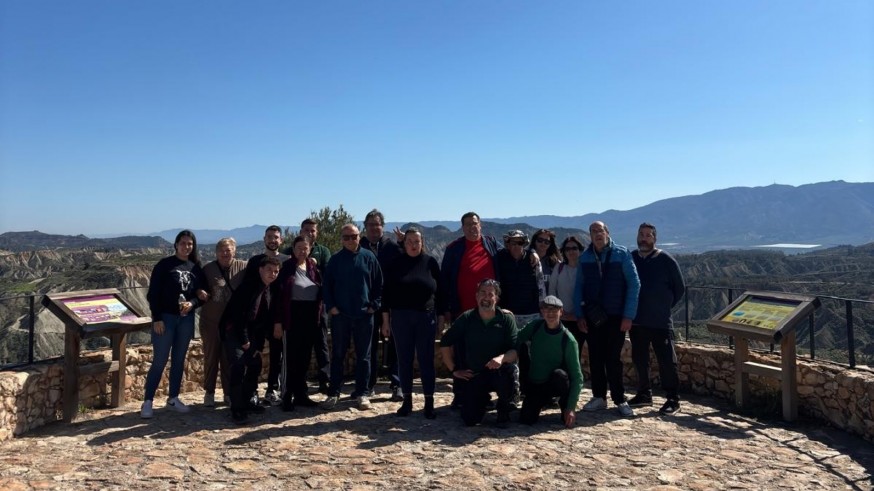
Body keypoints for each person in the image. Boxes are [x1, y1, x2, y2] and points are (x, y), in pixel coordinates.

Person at [573, 221, 640, 417]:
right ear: (590, 236)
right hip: (594, 317)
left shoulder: (621, 254)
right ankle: (599, 397)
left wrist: (629, 315)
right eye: (593, 231)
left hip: (616, 316)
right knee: (595, 358)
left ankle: (619, 399)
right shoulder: (585, 258)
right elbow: (579, 288)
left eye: (600, 230)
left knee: (613, 359)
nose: (597, 234)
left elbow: (634, 285)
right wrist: (579, 315)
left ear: (607, 232)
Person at [141, 230, 207, 419]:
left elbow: (202, 295)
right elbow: (153, 294)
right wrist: (157, 318)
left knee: (179, 360)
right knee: (159, 360)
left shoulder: (195, 268)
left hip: (186, 319)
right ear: (176, 244)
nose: (186, 247)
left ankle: (173, 398)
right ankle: (147, 401)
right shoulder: (164, 265)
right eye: (183, 243)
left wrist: (192, 303)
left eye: (190, 244)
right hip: (166, 318)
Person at [381, 228, 444, 418]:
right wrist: (385, 321)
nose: (413, 245)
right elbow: (386, 295)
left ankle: (429, 402)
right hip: (400, 318)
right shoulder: (396, 264)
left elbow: (440, 293)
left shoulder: (430, 262)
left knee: (426, 361)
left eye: (417, 241)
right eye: (409, 241)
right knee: (404, 360)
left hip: (426, 317)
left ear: (422, 242)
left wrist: (441, 319)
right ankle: (406, 401)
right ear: (404, 243)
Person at [439, 279, 518, 428]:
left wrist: (502, 358)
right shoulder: (467, 318)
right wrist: (454, 370)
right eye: (483, 293)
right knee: (469, 419)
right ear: (476, 296)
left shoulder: (506, 318)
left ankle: (504, 408)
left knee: (507, 375)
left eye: (490, 294)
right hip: (475, 374)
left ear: (496, 298)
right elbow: (445, 342)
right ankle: (482, 400)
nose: (486, 297)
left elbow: (515, 351)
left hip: (499, 372)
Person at [321, 223, 383, 410]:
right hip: (341, 316)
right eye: (346, 237)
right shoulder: (335, 260)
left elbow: (379, 284)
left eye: (353, 236)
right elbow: (327, 286)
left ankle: (362, 393)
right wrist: (331, 307)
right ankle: (334, 393)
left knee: (364, 356)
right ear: (341, 239)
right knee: (338, 355)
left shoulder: (369, 257)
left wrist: (374, 306)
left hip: (365, 316)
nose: (350, 240)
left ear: (359, 236)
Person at [629, 222, 686, 414]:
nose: (644, 238)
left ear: (654, 238)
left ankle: (673, 399)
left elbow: (679, 289)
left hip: (660, 321)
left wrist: (663, 307)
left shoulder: (666, 260)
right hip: (637, 320)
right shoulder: (632, 258)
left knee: (667, 361)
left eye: (648, 235)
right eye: (641, 234)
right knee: (639, 359)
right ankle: (644, 394)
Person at [221, 256, 282, 423]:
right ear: (260, 270)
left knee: (255, 364)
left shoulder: (268, 289)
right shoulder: (248, 288)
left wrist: (258, 346)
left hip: (252, 335)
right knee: (239, 365)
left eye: (276, 271)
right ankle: (237, 408)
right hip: (234, 332)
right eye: (269, 270)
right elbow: (238, 316)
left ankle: (247, 401)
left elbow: (263, 321)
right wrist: (245, 340)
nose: (273, 274)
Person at [516, 296, 583, 428]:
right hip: (536, 384)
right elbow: (516, 338)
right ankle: (541, 401)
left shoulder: (568, 340)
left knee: (561, 376)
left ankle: (563, 406)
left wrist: (571, 407)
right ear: (542, 312)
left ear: (561, 312)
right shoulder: (535, 327)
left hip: (554, 382)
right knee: (526, 419)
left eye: (554, 310)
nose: (550, 313)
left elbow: (577, 377)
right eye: (546, 310)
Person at [273, 236, 323, 412]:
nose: (302, 251)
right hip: (291, 316)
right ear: (293, 249)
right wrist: (278, 322)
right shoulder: (287, 268)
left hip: (309, 318)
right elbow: (279, 297)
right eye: (299, 247)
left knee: (304, 358)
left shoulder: (313, 267)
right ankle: (286, 395)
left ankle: (301, 394)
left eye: (305, 248)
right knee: (289, 358)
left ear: (310, 249)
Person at [360, 209, 403, 401]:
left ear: (382, 227)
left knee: (396, 344)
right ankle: (369, 385)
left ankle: (397, 384)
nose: (374, 228)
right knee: (368, 346)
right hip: (368, 304)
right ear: (365, 227)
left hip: (392, 302)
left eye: (377, 224)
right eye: (370, 225)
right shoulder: (359, 246)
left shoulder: (393, 247)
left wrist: (402, 242)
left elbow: (410, 262)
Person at [242, 225, 288, 406]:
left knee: (277, 355)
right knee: (254, 353)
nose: (272, 240)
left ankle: (272, 389)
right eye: (269, 237)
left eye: (276, 237)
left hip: (277, 316)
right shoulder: (255, 261)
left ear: (281, 240)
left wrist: (279, 321)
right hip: (257, 318)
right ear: (264, 239)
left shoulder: (286, 261)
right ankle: (252, 391)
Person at [199, 237, 246, 407]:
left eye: (228, 250)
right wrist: (200, 292)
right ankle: (209, 392)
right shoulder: (208, 269)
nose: (225, 253)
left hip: (231, 324)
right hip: (211, 321)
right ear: (216, 252)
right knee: (211, 357)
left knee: (228, 358)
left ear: (234, 251)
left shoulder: (243, 267)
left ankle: (228, 393)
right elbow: (198, 286)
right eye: (222, 250)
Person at [297, 218, 332, 394]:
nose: (310, 233)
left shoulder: (323, 251)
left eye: (313, 231)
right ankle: (298, 383)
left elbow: (329, 275)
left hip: (319, 306)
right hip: (298, 309)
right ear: (301, 231)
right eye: (307, 230)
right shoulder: (293, 250)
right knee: (300, 347)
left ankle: (325, 381)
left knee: (321, 345)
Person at [495, 229, 545, 326]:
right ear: (508, 244)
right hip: (508, 312)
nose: (517, 246)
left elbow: (541, 284)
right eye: (513, 243)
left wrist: (542, 306)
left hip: (531, 313)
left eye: (520, 242)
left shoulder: (533, 260)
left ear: (524, 244)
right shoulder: (500, 258)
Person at [549, 236, 587, 357]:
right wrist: (558, 312)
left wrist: (578, 314)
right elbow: (552, 291)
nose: (571, 251)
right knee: (561, 353)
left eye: (574, 248)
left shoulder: (586, 269)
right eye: (567, 248)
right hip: (562, 318)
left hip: (580, 319)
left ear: (580, 250)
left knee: (576, 353)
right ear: (563, 252)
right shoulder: (559, 268)